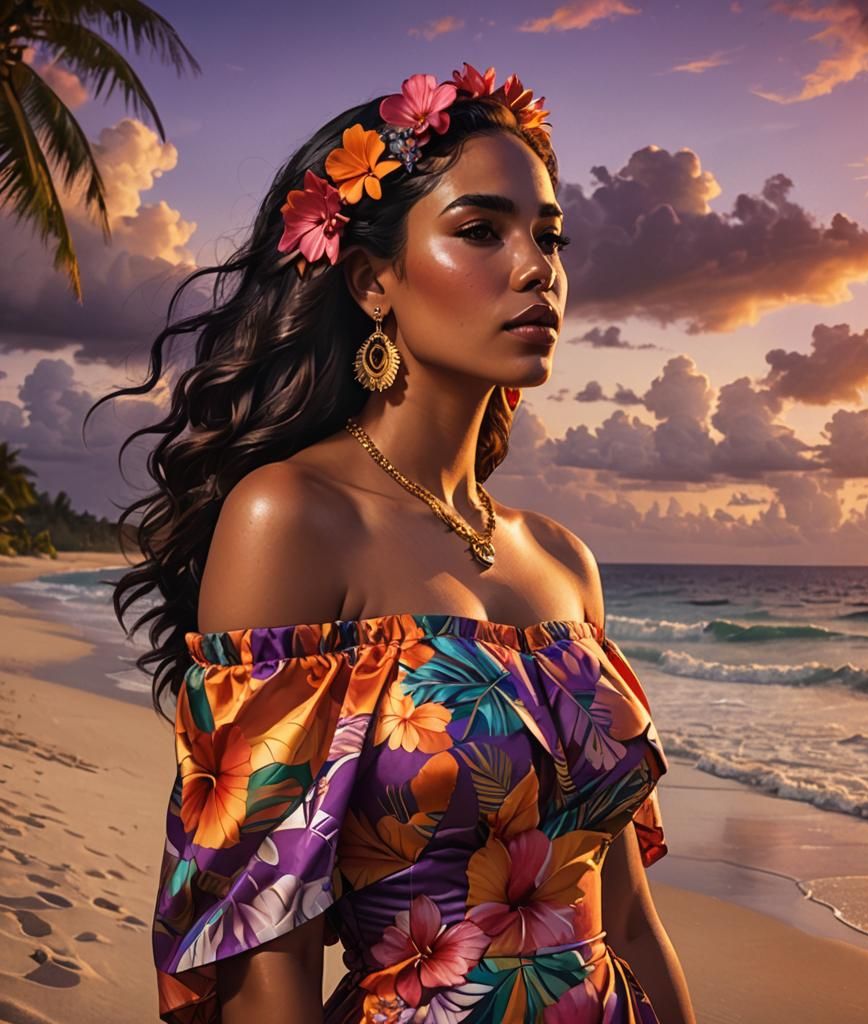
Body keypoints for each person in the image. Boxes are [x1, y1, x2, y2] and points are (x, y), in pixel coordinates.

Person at [94, 61, 697, 1023]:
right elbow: (267, 953)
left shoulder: (563, 562)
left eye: (549, 237)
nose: (538, 267)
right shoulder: (289, 518)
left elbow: (625, 915)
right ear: (374, 279)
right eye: (480, 231)